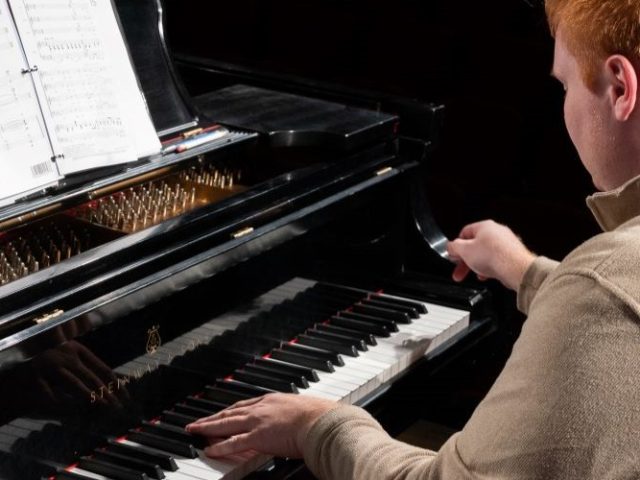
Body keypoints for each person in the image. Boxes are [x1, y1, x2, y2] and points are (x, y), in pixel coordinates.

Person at [186, 0, 640, 477]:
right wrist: (523, 270)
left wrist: (318, 424)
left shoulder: (600, 288)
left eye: (565, 84)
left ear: (619, 87)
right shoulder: (605, 284)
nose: (564, 105)